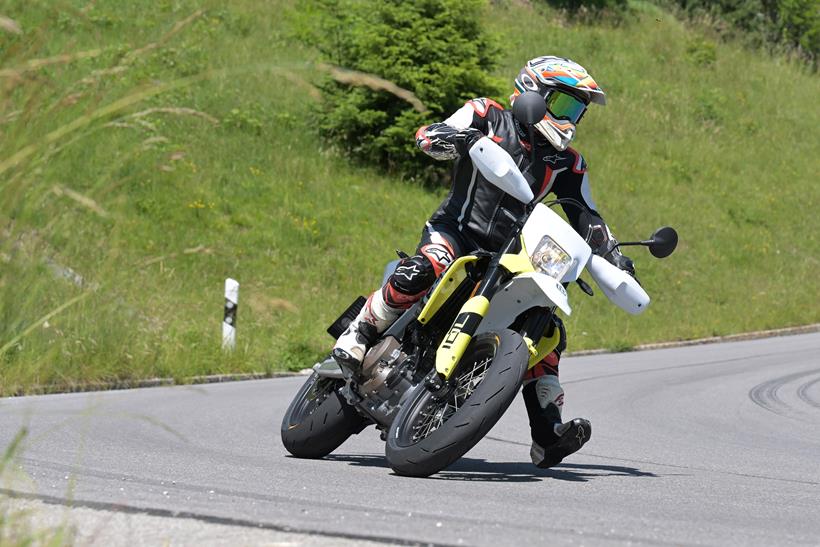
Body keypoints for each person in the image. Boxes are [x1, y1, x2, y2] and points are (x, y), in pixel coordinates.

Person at [333, 56, 635, 468]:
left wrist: (614, 255)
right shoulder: (487, 114)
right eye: (565, 106)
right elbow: (430, 134)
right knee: (427, 267)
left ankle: (548, 433)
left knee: (546, 330)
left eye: (577, 111)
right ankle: (359, 332)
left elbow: (587, 215)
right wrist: (445, 138)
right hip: (456, 232)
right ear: (535, 94)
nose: (571, 120)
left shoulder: (569, 163)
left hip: (511, 255)